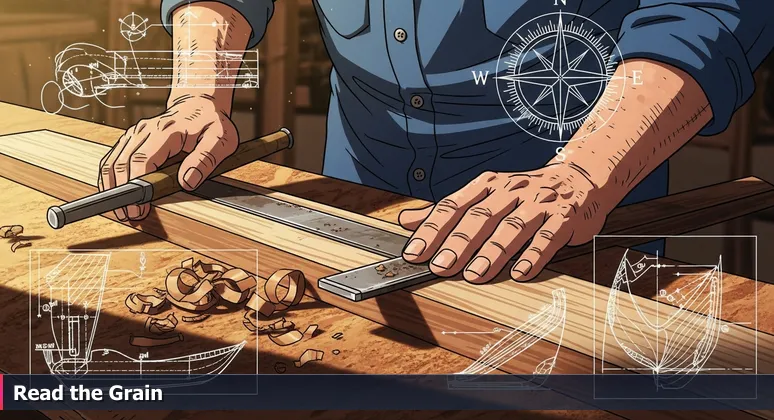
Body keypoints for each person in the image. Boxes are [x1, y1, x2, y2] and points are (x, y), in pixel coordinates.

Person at [98, 0, 774, 284]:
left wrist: (582, 176)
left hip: (563, 217)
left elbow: (706, 15)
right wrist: (196, 94)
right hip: (356, 196)